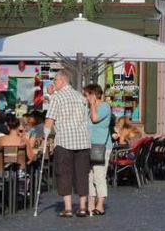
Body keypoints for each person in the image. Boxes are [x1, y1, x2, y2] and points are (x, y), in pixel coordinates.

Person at [44, 68, 91, 217]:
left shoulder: (57, 98)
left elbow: (49, 119)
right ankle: (83, 207)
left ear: (63, 81)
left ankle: (68, 208)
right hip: (83, 140)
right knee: (82, 173)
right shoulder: (80, 97)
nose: (53, 83)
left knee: (64, 172)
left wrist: (45, 135)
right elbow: (86, 117)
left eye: (55, 80)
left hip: (65, 140)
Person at [83, 83, 114, 216]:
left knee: (99, 176)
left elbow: (95, 119)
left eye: (87, 95)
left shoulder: (105, 107)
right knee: (89, 176)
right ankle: (91, 201)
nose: (86, 98)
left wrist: (93, 104)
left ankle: (100, 204)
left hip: (101, 147)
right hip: (89, 145)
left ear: (93, 95)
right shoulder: (90, 108)